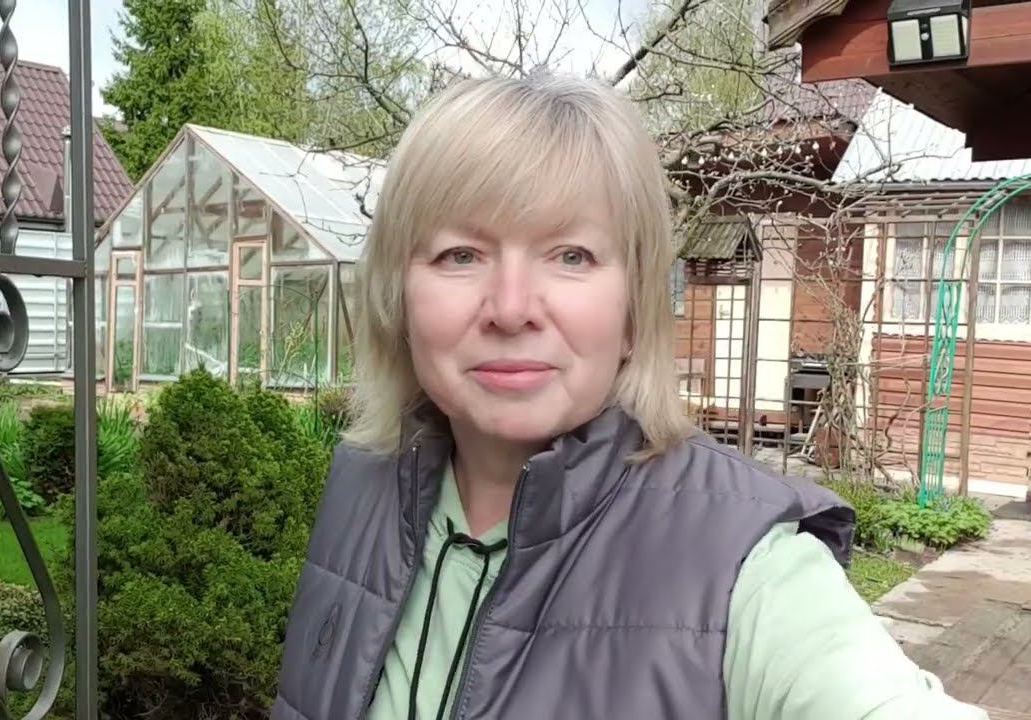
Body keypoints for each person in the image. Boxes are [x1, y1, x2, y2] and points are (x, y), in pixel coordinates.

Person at [271, 74, 988, 720]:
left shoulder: (748, 567)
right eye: (460, 254)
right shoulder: (362, 485)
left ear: (634, 308)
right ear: (398, 292)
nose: (511, 308)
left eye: (571, 255)